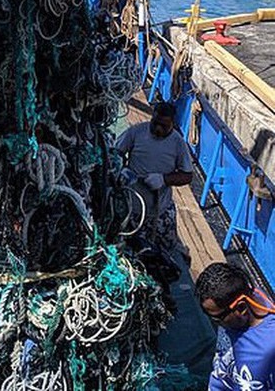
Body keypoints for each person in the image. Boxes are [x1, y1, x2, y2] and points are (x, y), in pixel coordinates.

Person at [116, 101, 193, 263]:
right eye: (155, 123)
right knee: (130, 250)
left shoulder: (178, 143)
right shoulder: (136, 132)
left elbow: (187, 175)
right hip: (133, 207)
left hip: (161, 209)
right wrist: (122, 169)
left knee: (167, 251)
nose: (158, 128)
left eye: (164, 126)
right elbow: (116, 153)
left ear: (173, 124)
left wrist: (164, 179)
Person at [196, 262, 275, 390]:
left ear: (241, 307)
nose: (216, 322)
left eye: (218, 318)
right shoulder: (254, 295)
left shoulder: (264, 351)